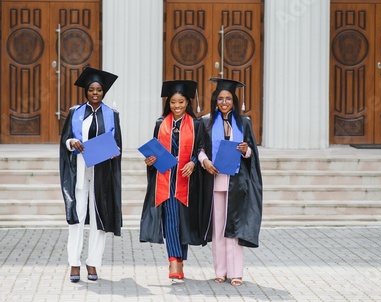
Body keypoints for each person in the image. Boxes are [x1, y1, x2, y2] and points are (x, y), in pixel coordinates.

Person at [139, 79, 208, 280]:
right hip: (166, 179)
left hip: (187, 181)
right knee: (170, 220)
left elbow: (201, 148)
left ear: (187, 103)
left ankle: (180, 260)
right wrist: (150, 160)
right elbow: (154, 150)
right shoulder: (160, 124)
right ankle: (174, 262)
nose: (176, 106)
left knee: (182, 222)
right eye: (172, 102)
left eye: (181, 102)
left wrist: (194, 162)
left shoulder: (196, 124)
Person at [59, 67, 122, 283]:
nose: (95, 93)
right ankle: (74, 263)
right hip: (79, 168)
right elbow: (65, 140)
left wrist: (115, 152)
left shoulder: (112, 115)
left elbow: (117, 143)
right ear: (86, 91)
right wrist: (71, 142)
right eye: (91, 89)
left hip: (102, 171)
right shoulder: (75, 112)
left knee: (98, 218)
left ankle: (93, 262)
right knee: (77, 216)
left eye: (99, 90)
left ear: (103, 92)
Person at [199, 77, 263, 286]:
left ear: (234, 101)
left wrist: (246, 150)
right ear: (215, 100)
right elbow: (198, 149)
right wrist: (205, 161)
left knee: (234, 227)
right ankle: (220, 270)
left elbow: (252, 152)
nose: (224, 102)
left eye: (228, 98)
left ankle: (236, 272)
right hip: (215, 180)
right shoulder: (206, 123)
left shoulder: (244, 123)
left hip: (237, 181)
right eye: (220, 98)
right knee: (218, 228)